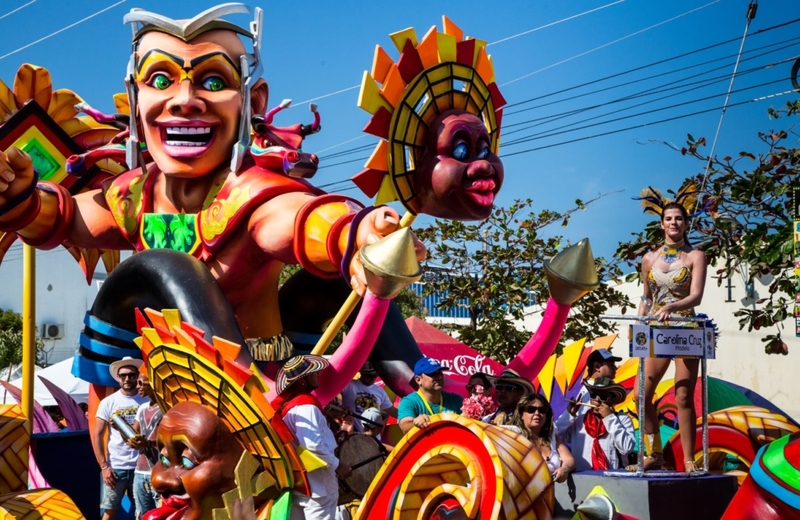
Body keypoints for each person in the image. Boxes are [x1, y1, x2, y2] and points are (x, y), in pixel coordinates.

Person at [635, 198, 707, 472]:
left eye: (679, 218)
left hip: (685, 330)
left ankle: (689, 460)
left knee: (683, 396)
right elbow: (646, 296)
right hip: (655, 331)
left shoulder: (695, 256)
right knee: (641, 395)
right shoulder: (649, 259)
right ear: (661, 223)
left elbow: (696, 296)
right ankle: (654, 453)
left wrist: (672, 306)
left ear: (686, 223)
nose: (674, 223)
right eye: (669, 218)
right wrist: (641, 315)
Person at [272, 355, 352, 519]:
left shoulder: (288, 407)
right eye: (312, 373)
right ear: (302, 382)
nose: (318, 375)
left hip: (300, 483)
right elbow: (313, 446)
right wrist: (338, 465)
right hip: (319, 484)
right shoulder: (307, 406)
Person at [92, 357, 149, 520]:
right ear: (118, 378)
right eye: (123, 375)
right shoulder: (108, 402)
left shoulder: (147, 400)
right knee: (110, 510)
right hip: (116, 466)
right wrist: (104, 467)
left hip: (142, 467)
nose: (127, 379)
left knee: (144, 511)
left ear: (137, 376)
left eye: (131, 375)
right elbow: (98, 435)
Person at [555, 377, 634, 472]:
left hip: (612, 478)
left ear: (612, 401)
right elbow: (555, 436)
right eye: (593, 395)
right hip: (582, 477)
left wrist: (609, 418)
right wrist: (569, 415)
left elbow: (626, 448)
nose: (597, 400)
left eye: (603, 397)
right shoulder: (579, 419)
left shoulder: (621, 419)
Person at [517, 393, 575, 483]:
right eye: (531, 410)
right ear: (521, 414)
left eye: (542, 410)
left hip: (550, 494)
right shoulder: (513, 435)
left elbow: (569, 460)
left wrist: (564, 469)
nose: (537, 413)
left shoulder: (551, 437)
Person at [397, 358, 463, 434]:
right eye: (433, 374)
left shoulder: (455, 399)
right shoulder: (409, 401)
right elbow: (405, 426)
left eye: (440, 373)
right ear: (418, 380)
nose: (439, 377)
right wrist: (416, 422)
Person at [129, 373, 162, 519]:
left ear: (153, 383)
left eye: (141, 383)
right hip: (140, 472)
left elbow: (171, 441)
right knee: (142, 515)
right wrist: (120, 427)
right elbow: (133, 433)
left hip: (159, 472)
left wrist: (148, 443)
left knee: (161, 514)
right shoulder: (142, 408)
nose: (138, 387)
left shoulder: (166, 409)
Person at [340, 362, 396, 432]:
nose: (372, 379)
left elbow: (392, 410)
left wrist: (407, 416)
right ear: (361, 373)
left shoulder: (380, 391)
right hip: (353, 434)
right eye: (369, 376)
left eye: (375, 376)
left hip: (373, 437)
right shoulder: (349, 385)